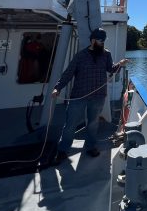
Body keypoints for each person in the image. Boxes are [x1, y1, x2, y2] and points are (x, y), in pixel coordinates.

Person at [52, 28, 128, 162]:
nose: (102, 43)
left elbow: (111, 69)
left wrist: (120, 65)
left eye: (103, 40)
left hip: (98, 96)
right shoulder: (80, 55)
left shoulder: (106, 54)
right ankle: (63, 150)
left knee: (93, 124)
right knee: (70, 124)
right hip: (78, 96)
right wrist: (57, 88)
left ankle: (91, 146)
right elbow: (68, 73)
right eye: (100, 40)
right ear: (93, 40)